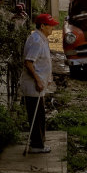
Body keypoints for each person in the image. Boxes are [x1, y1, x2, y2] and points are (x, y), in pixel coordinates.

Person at [20, 13, 59, 153]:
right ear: (42, 26)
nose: (53, 29)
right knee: (37, 116)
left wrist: (48, 77)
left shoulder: (41, 39)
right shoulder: (36, 41)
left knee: (40, 115)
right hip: (33, 85)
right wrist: (38, 80)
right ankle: (36, 145)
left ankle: (38, 143)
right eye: (50, 26)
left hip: (38, 84)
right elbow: (29, 62)